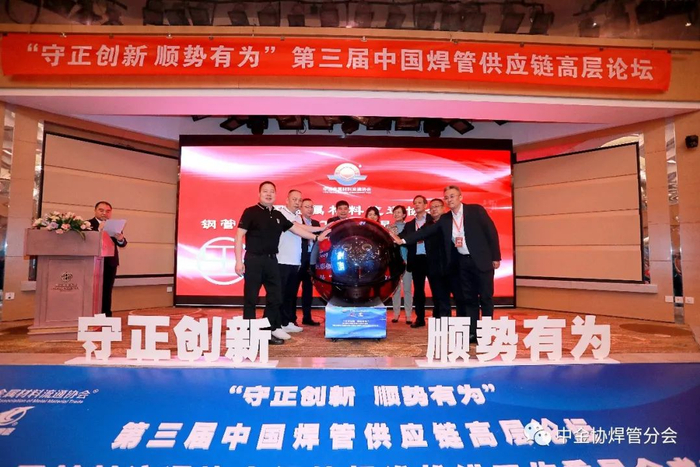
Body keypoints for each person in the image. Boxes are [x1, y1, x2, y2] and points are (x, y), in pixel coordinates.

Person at [396, 186, 501, 343]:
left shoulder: (476, 210)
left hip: (481, 260)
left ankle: (485, 333)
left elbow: (491, 232)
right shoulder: (446, 219)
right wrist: (403, 240)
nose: (449, 199)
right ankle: (472, 332)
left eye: (452, 196)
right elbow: (425, 232)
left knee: (486, 298)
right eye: (446, 197)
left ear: (460, 197)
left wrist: (496, 257)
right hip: (462, 262)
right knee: (469, 299)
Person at [235, 181, 327, 345]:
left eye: (272, 191)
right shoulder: (250, 212)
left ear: (275, 195)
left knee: (276, 297)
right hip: (254, 259)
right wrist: (238, 261)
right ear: (259, 194)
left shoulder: (278, 215)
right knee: (251, 299)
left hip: (272, 260)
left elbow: (296, 229)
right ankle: (249, 336)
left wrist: (316, 238)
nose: (268, 194)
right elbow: (238, 236)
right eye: (265, 191)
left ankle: (268, 331)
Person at [88, 201, 127, 318]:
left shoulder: (113, 225)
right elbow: (85, 242)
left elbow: (122, 243)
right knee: (91, 290)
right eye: (101, 210)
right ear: (95, 211)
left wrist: (120, 239)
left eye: (108, 211)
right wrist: (98, 231)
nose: (104, 213)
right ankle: (91, 315)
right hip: (92, 263)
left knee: (106, 290)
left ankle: (106, 316)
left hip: (110, 263)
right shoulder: (87, 224)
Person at [277, 189, 305, 334]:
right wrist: (320, 231)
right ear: (287, 200)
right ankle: (277, 324)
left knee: (290, 294)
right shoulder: (281, 214)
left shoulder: (298, 217)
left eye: (299, 200)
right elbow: (299, 229)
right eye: (294, 199)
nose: (297, 202)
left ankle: (286, 322)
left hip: (295, 262)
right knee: (280, 294)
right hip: (282, 261)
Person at [402, 195, 431, 328]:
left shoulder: (433, 220)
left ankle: (440, 317)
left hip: (432, 259)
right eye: (415, 203)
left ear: (425, 205)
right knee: (418, 291)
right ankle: (420, 318)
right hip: (416, 260)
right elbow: (401, 238)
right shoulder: (409, 225)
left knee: (437, 288)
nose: (417, 205)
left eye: (420, 202)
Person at [296, 197, 321, 326]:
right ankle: (291, 318)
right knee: (293, 290)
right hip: (298, 260)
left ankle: (307, 317)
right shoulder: (296, 222)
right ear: (300, 208)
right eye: (306, 207)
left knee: (308, 290)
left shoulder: (316, 223)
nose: (310, 209)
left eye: (311, 207)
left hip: (311, 261)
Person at [425, 198, 451, 319]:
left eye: (436, 206)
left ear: (443, 208)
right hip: (433, 266)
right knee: (437, 294)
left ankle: (446, 319)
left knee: (447, 295)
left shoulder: (450, 222)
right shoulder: (428, 225)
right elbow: (415, 236)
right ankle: (438, 319)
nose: (434, 209)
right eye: (431, 208)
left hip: (450, 265)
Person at [389, 205, 413, 325]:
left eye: (399, 212)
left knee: (407, 289)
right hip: (394, 263)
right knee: (396, 289)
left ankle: (408, 315)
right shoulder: (389, 228)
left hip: (407, 261)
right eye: (395, 212)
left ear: (404, 214)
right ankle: (396, 314)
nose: (396, 214)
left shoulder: (409, 227)